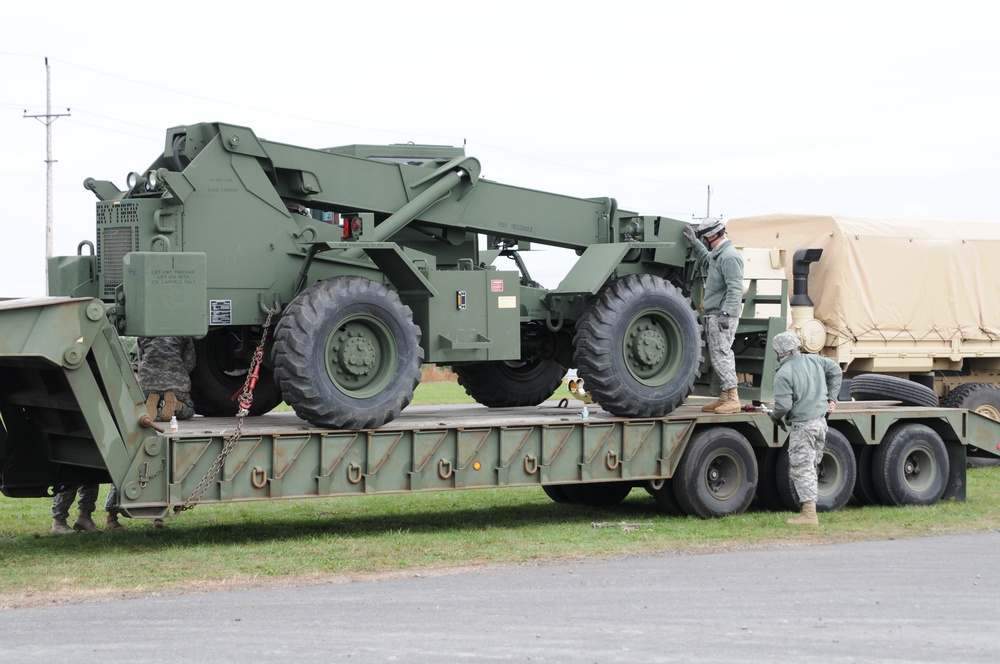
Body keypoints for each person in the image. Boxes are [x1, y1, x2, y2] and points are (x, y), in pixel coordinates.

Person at [769, 331, 843, 526]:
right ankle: (810, 511)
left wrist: (774, 416)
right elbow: (836, 370)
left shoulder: (783, 374)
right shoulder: (815, 360)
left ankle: (809, 514)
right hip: (820, 422)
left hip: (803, 426)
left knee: (802, 468)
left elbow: (783, 406)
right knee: (811, 466)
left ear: (779, 351)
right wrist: (832, 398)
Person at [683, 218, 745, 414]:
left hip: (722, 315)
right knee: (719, 355)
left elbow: (736, 289)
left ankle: (733, 398)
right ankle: (725, 397)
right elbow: (706, 259)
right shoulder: (719, 255)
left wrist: (726, 313)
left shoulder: (729, 256)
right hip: (717, 314)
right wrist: (695, 243)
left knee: (722, 354)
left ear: (712, 236)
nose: (705, 240)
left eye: (704, 237)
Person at [138, 336, 196, 422]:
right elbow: (190, 362)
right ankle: (176, 404)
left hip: (147, 381)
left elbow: (141, 358)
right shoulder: (184, 331)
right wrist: (180, 373)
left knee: (142, 404)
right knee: (189, 409)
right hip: (175, 381)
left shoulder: (143, 331)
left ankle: (150, 402)